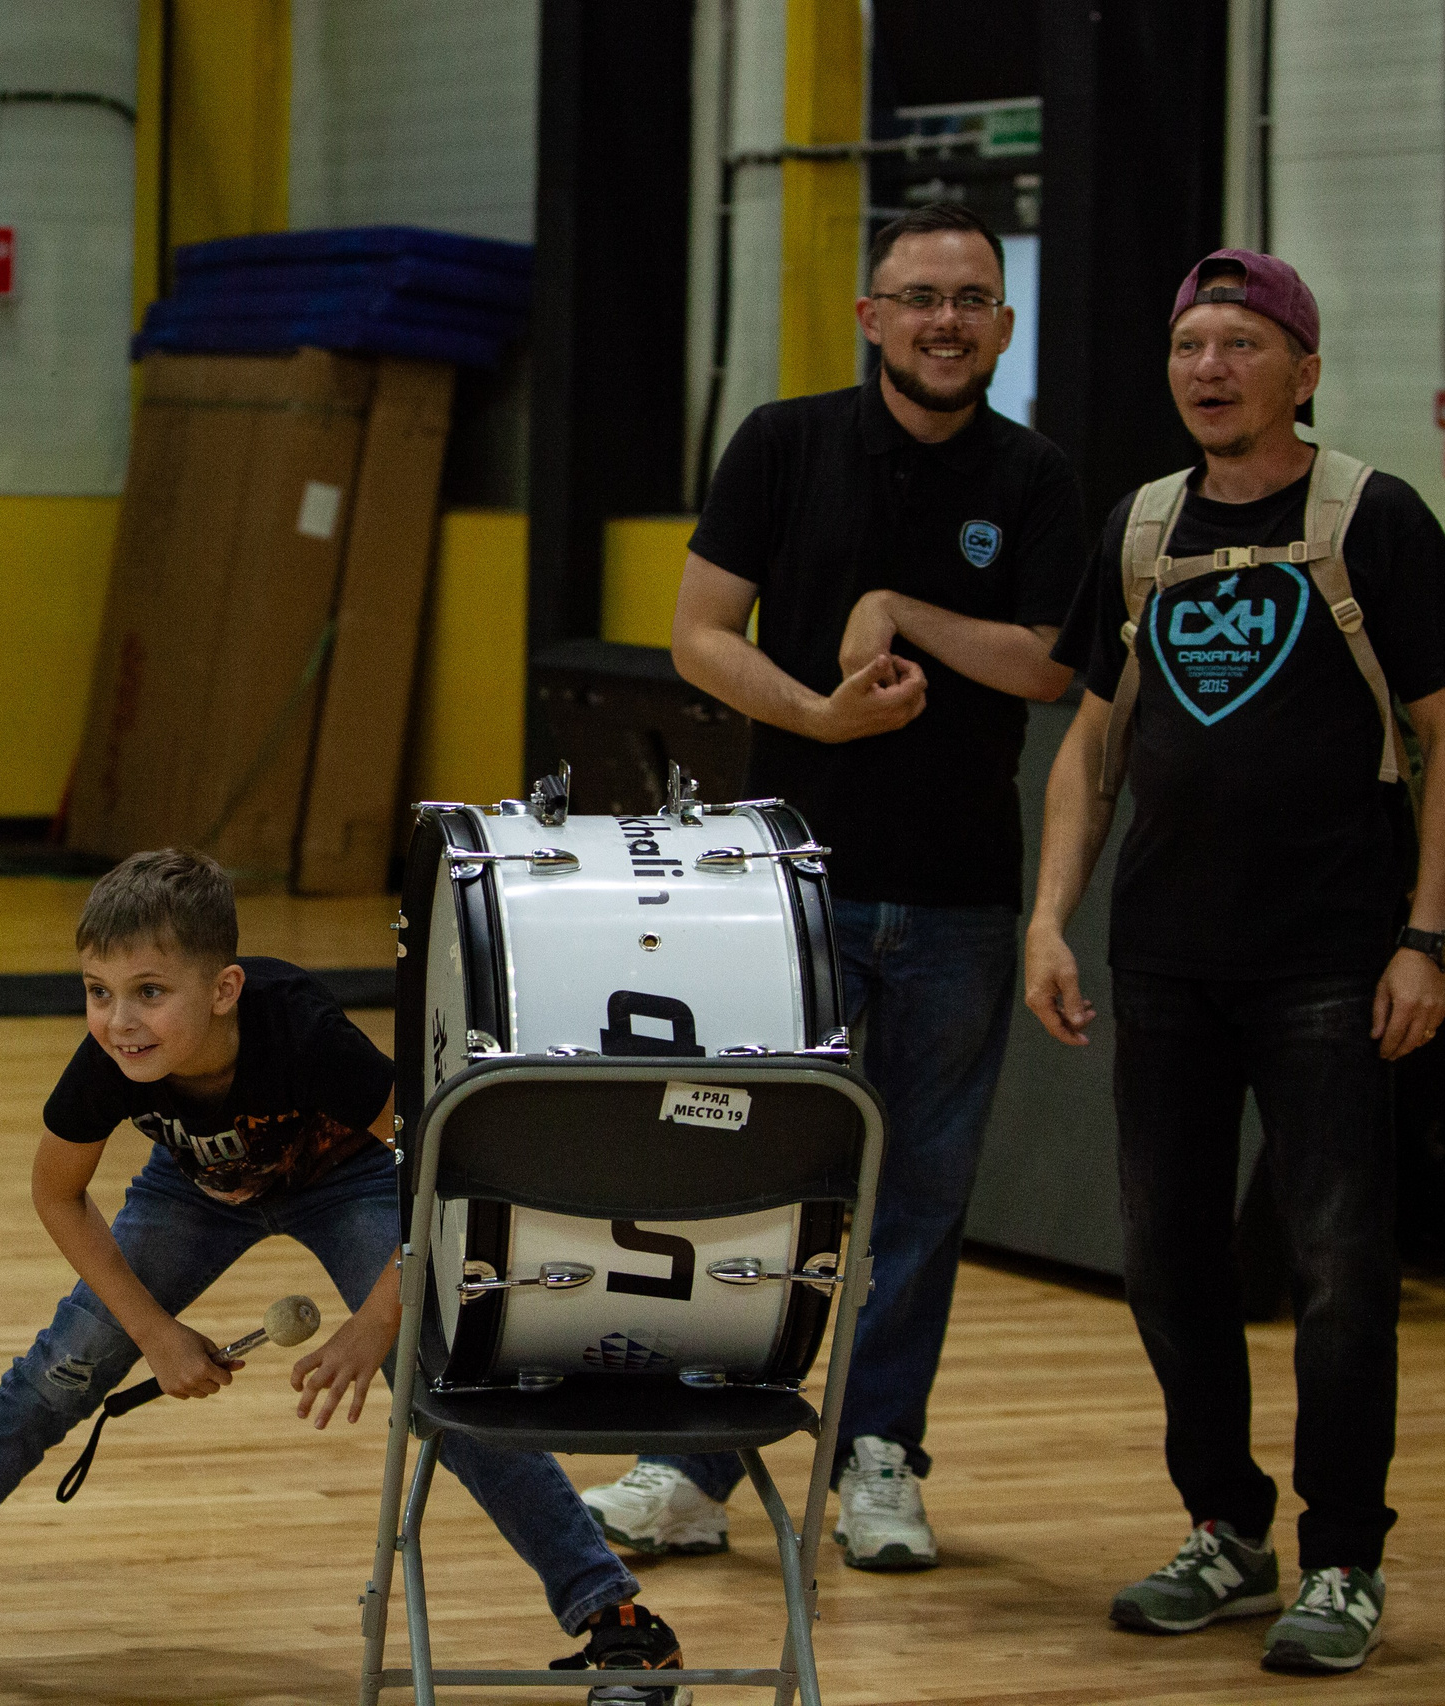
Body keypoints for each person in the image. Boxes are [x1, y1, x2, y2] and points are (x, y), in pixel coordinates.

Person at [0, 849, 692, 1702]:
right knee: (57, 1372)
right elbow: (58, 1194)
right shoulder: (112, 1061)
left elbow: (444, 1178)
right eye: (98, 994)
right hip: (194, 1193)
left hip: (350, 1184)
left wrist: (376, 1324)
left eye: (149, 993)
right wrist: (152, 1335)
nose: (119, 1021)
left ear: (225, 990)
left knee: (434, 1380)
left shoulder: (302, 1029)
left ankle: (616, 1616)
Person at [576, 203, 1085, 1572]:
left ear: (1004, 323)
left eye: (973, 297)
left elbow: (1048, 664)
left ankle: (878, 1458)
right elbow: (694, 633)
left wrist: (904, 610)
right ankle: (690, 1467)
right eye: (920, 295)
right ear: (872, 317)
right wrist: (813, 715)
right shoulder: (783, 444)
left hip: (963, 905)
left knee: (917, 1195)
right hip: (784, 898)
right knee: (753, 1185)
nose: (946, 318)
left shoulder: (1037, 478)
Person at [1025, 250, 1445, 1674]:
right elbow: (1091, 748)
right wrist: (1055, 917)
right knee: (1168, 1260)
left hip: (1330, 967)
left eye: (1239, 344)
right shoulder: (1142, 527)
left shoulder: (1376, 519)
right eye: (1189, 347)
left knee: (1342, 1267)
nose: (1209, 370)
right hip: (1164, 964)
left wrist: (1425, 937)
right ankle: (1224, 1530)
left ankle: (1342, 1554)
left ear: (1300, 369)